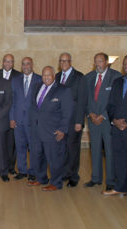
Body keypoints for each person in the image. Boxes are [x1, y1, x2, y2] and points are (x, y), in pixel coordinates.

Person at [28, 66, 73, 191]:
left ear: (54, 76)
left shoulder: (63, 90)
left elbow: (68, 112)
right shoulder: (36, 87)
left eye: (49, 75)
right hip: (37, 130)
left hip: (53, 131)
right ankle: (41, 178)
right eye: (44, 75)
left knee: (54, 158)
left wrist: (63, 129)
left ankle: (56, 182)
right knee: (37, 156)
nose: (46, 77)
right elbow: (33, 107)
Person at [83, 53, 121, 191]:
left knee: (109, 151)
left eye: (100, 61)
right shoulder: (88, 77)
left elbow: (116, 101)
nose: (97, 64)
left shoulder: (116, 77)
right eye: (95, 61)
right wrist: (90, 113)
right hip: (92, 120)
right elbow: (85, 98)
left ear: (106, 62)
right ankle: (96, 178)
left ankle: (110, 180)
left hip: (107, 120)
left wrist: (103, 115)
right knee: (95, 149)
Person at [104, 55, 127, 203]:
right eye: (125, 64)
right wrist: (114, 120)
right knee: (119, 159)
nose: (126, 66)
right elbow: (110, 105)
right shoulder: (117, 82)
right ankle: (119, 187)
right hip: (117, 128)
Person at [9, 57, 42, 181]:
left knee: (33, 147)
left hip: (33, 121)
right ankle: (22, 170)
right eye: (23, 64)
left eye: (28, 64)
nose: (26, 66)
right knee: (20, 146)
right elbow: (12, 101)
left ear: (32, 64)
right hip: (18, 120)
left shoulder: (39, 79)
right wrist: (11, 118)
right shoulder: (15, 80)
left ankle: (33, 171)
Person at [55, 52, 84, 187]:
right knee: (61, 148)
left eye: (66, 61)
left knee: (73, 149)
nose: (64, 63)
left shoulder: (79, 77)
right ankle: (64, 174)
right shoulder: (57, 77)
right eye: (61, 61)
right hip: (60, 121)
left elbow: (82, 102)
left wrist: (79, 121)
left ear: (70, 62)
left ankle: (73, 176)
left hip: (73, 121)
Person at [0, 53, 21, 175]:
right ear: (2, 62)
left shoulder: (18, 75)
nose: (8, 63)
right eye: (6, 61)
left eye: (11, 61)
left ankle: (10, 167)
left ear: (13, 63)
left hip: (13, 114)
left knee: (12, 142)